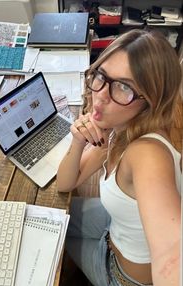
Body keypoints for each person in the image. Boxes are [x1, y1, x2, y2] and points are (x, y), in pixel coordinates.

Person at [57, 29, 182, 286]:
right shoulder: (120, 128)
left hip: (123, 276)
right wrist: (79, 141)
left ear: (151, 101)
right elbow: (65, 183)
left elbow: (171, 254)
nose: (101, 94)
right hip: (114, 227)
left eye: (124, 87)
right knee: (54, 221)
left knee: (54, 239)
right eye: (101, 76)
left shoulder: (147, 154)